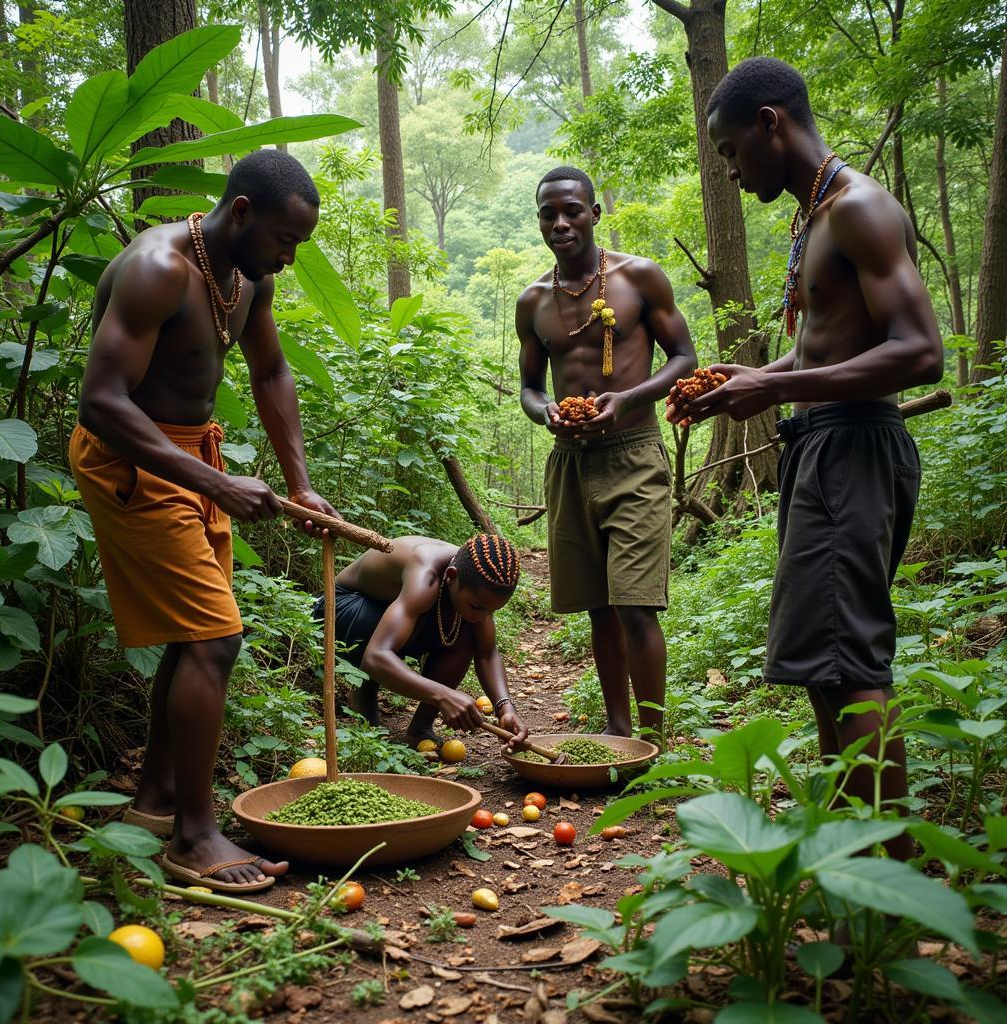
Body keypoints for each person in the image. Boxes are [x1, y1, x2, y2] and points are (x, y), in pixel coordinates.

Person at [666, 57, 943, 868]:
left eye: (727, 150)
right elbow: (825, 348)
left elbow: (920, 352)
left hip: (855, 446)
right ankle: (846, 855)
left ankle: (882, 886)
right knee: (825, 663)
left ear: (769, 124)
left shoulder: (859, 209)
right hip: (819, 447)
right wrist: (746, 384)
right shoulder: (812, 217)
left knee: (851, 661)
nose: (727, 167)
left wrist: (782, 384)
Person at [70, 149, 341, 893]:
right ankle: (194, 836)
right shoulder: (159, 268)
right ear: (242, 212)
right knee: (216, 640)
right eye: (284, 242)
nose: (288, 261)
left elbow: (271, 371)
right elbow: (102, 401)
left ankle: (158, 802)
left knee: (196, 637)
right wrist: (216, 486)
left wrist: (301, 485)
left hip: (191, 458)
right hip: (130, 458)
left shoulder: (247, 279)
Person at [517, 166, 696, 740]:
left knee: (636, 604)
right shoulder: (533, 301)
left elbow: (683, 358)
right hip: (570, 464)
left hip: (634, 454)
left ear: (595, 213)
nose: (560, 222)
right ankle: (619, 735)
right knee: (599, 606)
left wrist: (629, 399)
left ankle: (653, 739)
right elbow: (529, 386)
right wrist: (544, 409)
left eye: (572, 210)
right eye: (549, 213)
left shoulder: (638, 278)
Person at [313, 534, 528, 750]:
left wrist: (505, 707)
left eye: (492, 611)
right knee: (386, 626)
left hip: (393, 615)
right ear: (451, 577)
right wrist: (444, 696)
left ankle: (420, 729)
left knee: (467, 632)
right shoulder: (426, 573)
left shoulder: (477, 581)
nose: (483, 617)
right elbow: (376, 656)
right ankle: (364, 694)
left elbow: (487, 653)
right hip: (341, 608)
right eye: (477, 607)